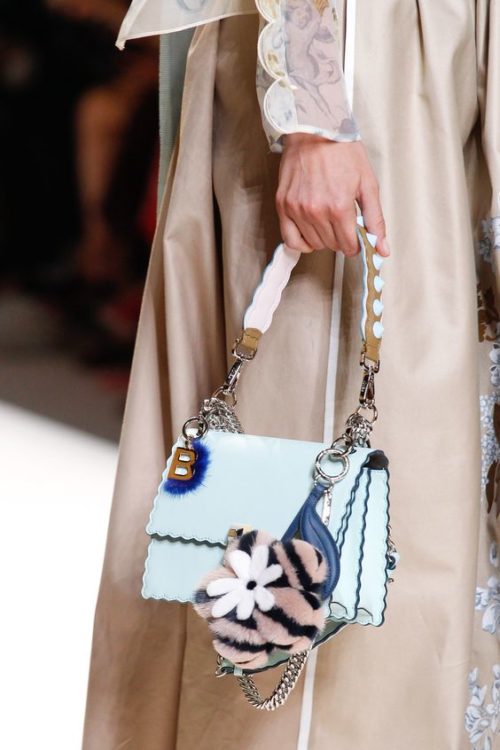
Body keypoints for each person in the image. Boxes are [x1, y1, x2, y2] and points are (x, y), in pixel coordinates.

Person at [83, 1, 500, 748]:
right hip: (361, 57)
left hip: (460, 57)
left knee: (445, 495)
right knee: (334, 493)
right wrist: (313, 117)